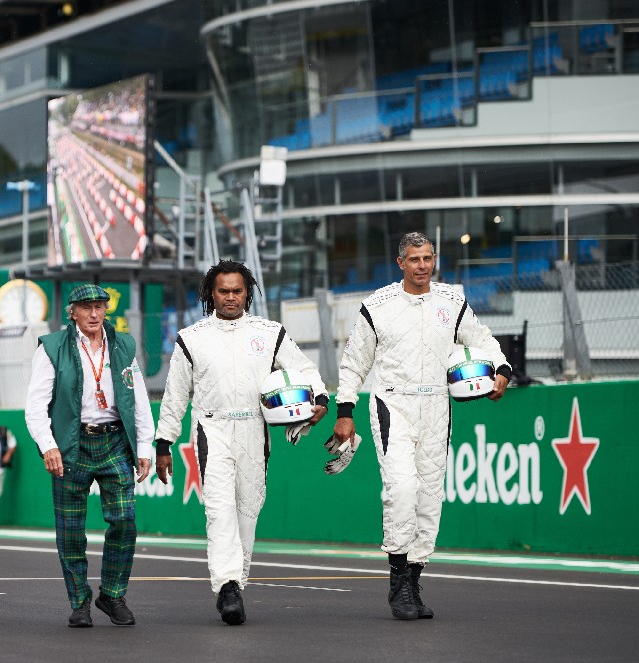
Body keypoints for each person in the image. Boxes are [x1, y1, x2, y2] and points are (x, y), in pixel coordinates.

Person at [333, 231, 510, 620]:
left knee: (430, 497)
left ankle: (414, 580)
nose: (422, 266)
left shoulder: (452, 301)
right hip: (392, 402)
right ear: (400, 263)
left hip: (437, 404)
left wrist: (502, 367)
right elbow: (353, 364)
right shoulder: (376, 305)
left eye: (428, 258)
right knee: (402, 488)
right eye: (414, 259)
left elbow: (482, 338)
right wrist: (344, 411)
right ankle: (397, 582)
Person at [155, 260, 328, 626]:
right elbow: (174, 397)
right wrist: (163, 443)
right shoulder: (192, 337)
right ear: (211, 294)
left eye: (237, 290)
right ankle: (228, 586)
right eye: (223, 291)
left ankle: (237, 584)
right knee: (219, 509)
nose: (230, 297)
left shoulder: (270, 333)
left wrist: (321, 399)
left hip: (255, 429)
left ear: (247, 291)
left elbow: (306, 370)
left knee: (248, 512)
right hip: (211, 429)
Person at [24, 283, 155, 628]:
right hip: (71, 444)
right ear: (73, 312)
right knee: (71, 530)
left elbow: (138, 397)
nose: (94, 314)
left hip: (114, 442)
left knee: (125, 521)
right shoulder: (52, 347)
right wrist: (48, 445)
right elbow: (35, 406)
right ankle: (79, 602)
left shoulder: (124, 344)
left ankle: (112, 595)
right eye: (86, 308)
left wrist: (144, 446)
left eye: (99, 306)